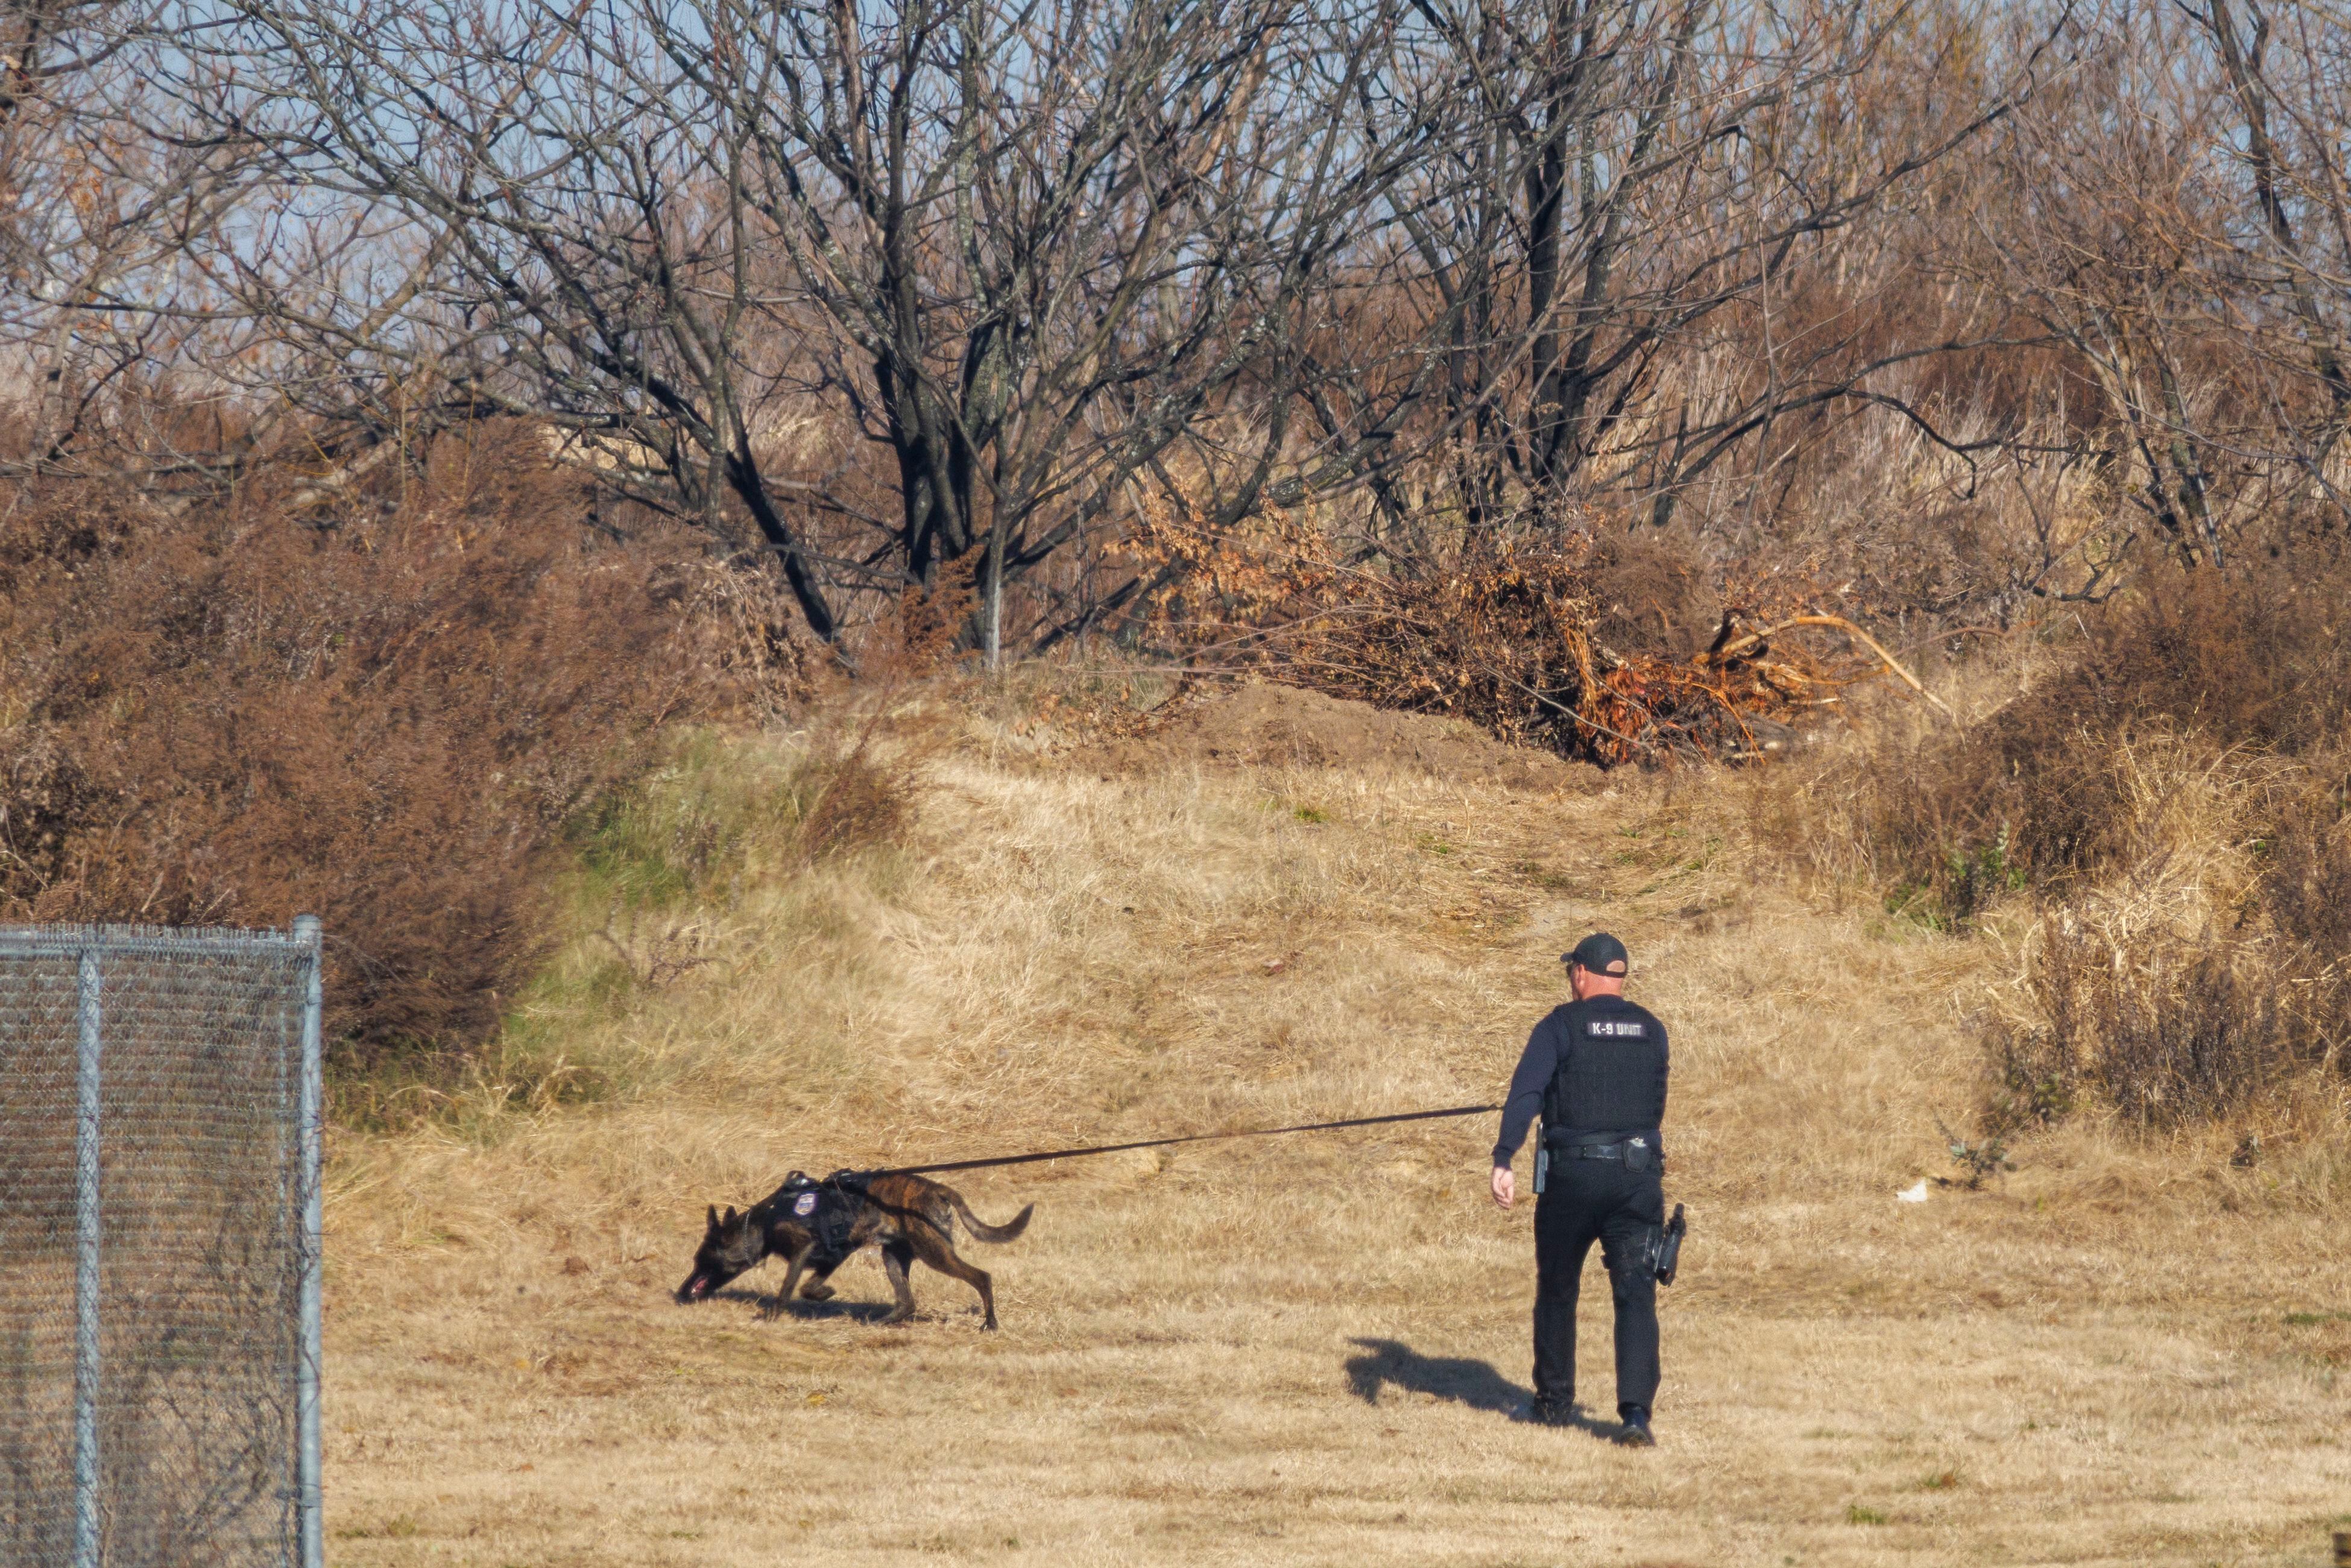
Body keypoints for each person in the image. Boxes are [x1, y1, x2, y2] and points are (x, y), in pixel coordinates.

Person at [1489, 932, 1669, 1444]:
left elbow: (1525, 1094)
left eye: (1571, 971)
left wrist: (1504, 1156)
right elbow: (1653, 1106)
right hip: (1636, 1179)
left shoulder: (1559, 1026)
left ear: (1581, 974)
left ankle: (1553, 1403)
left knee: (1558, 1288)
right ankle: (1635, 1416)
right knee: (1636, 1293)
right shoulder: (1652, 1030)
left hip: (1572, 1178)